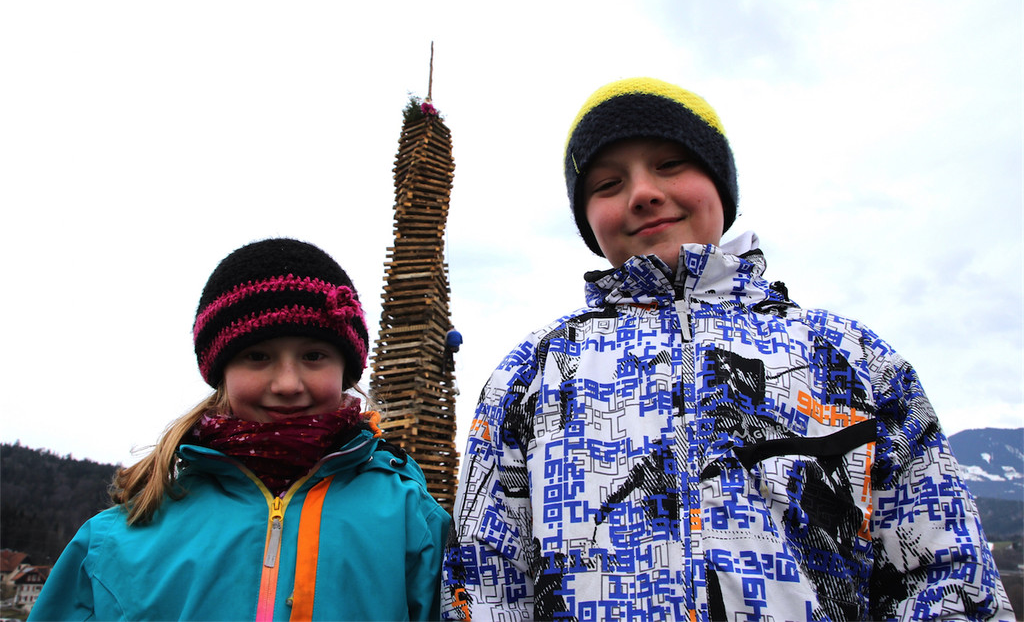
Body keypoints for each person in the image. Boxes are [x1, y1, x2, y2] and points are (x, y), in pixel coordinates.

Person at [441, 78, 1012, 621]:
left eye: (670, 164)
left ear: (720, 183)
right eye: (608, 184)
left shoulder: (852, 360)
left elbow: (945, 573)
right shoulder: (533, 374)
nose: (643, 193)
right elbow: (486, 577)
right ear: (587, 219)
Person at [31, 238, 451, 621]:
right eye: (257, 357)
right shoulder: (120, 537)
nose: (287, 384)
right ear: (221, 372)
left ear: (346, 370)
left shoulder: (412, 525)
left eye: (313, 355)